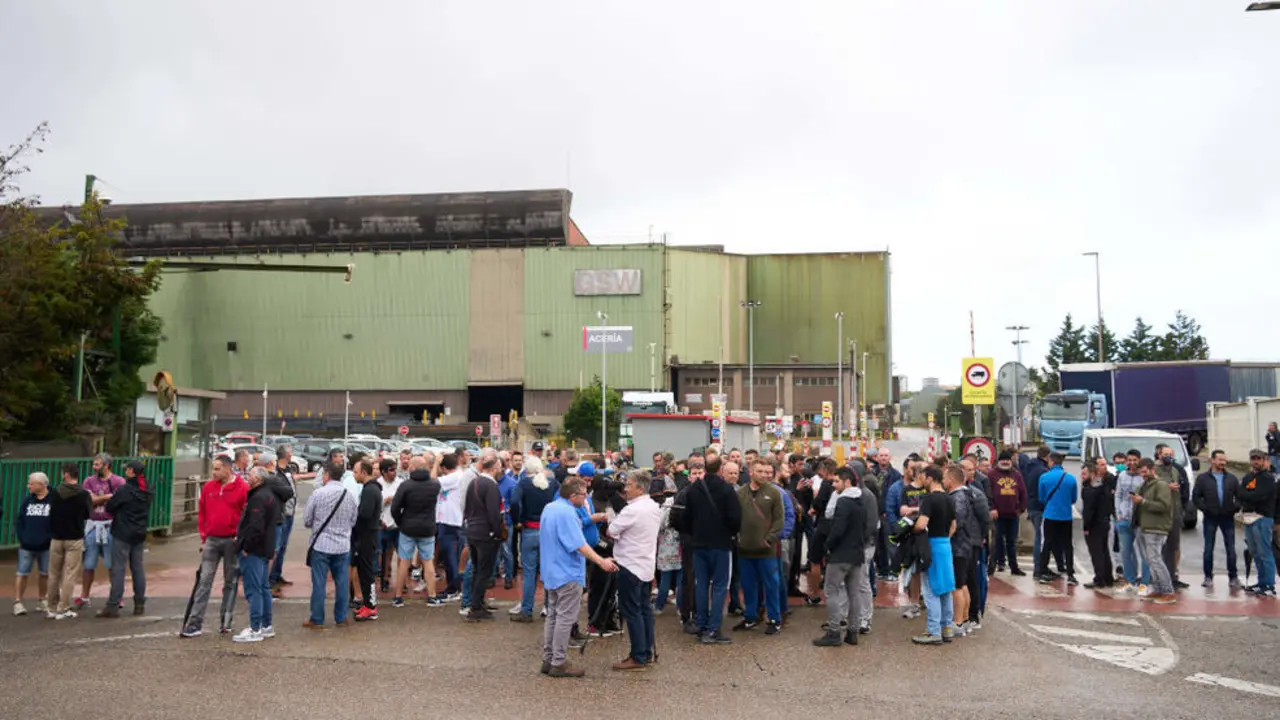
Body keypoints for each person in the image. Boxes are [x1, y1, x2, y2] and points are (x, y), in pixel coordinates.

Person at [537, 478, 618, 678]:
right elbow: (579, 544)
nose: (586, 498)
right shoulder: (567, 513)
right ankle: (559, 661)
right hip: (567, 572)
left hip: (552, 570)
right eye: (583, 495)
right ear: (573, 496)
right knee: (564, 618)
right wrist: (602, 561)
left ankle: (549, 659)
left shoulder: (550, 507)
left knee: (554, 616)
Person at [183, 456, 250, 637]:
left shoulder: (242, 488)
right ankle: (195, 622)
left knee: (231, 581)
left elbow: (246, 514)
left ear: (228, 469)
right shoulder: (209, 487)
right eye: (214, 468)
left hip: (231, 540)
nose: (214, 472)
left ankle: (226, 620)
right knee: (204, 580)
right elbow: (203, 512)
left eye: (218, 469)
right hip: (212, 539)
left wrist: (239, 536)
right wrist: (204, 536)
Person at [680, 453, 742, 645]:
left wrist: (695, 532)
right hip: (721, 543)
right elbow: (735, 519)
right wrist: (729, 532)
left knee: (701, 584)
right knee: (720, 586)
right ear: (721, 469)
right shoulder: (727, 489)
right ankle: (713, 628)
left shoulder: (693, 489)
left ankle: (700, 622)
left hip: (698, 543)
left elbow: (685, 518)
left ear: (705, 468)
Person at [608, 470, 663, 670]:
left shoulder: (632, 510)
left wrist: (610, 520)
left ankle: (638, 655)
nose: (625, 489)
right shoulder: (653, 507)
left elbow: (612, 531)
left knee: (632, 611)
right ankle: (646, 651)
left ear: (640, 488)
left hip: (630, 564)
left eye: (629, 485)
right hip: (646, 564)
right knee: (644, 609)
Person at [812, 467, 867, 647]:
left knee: (832, 591)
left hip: (841, 554)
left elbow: (838, 529)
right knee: (854, 593)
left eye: (837, 481)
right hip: (857, 553)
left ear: (847, 481)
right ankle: (853, 632)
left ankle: (834, 632)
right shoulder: (861, 499)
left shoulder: (843, 501)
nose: (833, 485)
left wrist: (828, 545)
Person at [303, 462, 359, 628]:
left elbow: (307, 520)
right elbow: (353, 520)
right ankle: (341, 618)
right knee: (342, 582)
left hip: (321, 544)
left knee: (319, 583)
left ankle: (317, 618)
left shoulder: (318, 494)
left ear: (326, 475)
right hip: (342, 545)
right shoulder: (349, 495)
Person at [733, 459, 784, 635]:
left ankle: (775, 619)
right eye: (760, 471)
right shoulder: (740, 493)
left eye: (766, 471)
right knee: (747, 586)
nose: (764, 475)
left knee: (771, 585)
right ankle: (750, 617)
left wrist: (769, 539)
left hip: (766, 550)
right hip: (745, 549)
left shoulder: (774, 493)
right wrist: (738, 537)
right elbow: (734, 519)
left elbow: (779, 520)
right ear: (751, 472)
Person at [232, 467, 282, 642]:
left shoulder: (258, 498)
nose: (247, 478)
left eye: (250, 476)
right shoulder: (270, 496)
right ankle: (266, 625)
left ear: (258, 479)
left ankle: (255, 628)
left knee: (253, 589)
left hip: (254, 549)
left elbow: (255, 525)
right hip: (266, 547)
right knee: (263, 587)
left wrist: (245, 545)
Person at [98, 460, 152, 618]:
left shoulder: (125, 490)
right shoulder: (147, 489)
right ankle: (139, 603)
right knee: (137, 568)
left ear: (131, 471)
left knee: (119, 569)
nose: (125, 472)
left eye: (127, 469)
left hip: (122, 531)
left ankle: (113, 604)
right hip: (139, 532)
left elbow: (110, 506)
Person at [509, 455, 559, 621]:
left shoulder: (523, 484)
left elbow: (514, 502)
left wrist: (518, 520)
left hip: (529, 530)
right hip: (548, 531)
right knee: (547, 571)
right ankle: (548, 607)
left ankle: (527, 610)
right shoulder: (552, 484)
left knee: (529, 572)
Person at [390, 456, 443, 608]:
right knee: (428, 561)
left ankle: (398, 596)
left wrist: (401, 521)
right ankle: (432, 595)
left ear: (412, 468)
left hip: (408, 527)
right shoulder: (434, 485)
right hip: (427, 527)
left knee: (404, 562)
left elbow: (395, 507)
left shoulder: (406, 485)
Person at [912, 466, 957, 645]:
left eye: (922, 476)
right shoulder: (949, 498)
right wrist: (945, 538)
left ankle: (933, 631)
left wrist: (912, 528)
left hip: (931, 546)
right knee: (945, 588)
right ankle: (947, 628)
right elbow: (954, 525)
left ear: (930, 478)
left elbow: (922, 524)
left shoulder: (929, 500)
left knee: (930, 589)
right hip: (945, 545)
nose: (921, 479)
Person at [80, 453, 126, 609]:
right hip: (93, 525)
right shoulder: (88, 481)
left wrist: (99, 498)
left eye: (97, 464)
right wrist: (108, 497)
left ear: (106, 465)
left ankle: (116, 596)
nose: (94, 467)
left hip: (110, 525)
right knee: (88, 564)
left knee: (112, 564)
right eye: (94, 464)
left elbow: (120, 501)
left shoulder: (118, 481)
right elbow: (88, 501)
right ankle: (84, 596)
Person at [462, 453, 504, 621]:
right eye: (500, 467)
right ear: (494, 469)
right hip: (486, 533)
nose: (501, 470)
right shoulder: (491, 486)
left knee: (477, 569)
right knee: (484, 571)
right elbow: (494, 513)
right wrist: (498, 533)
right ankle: (476, 607)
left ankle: (476, 601)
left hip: (472, 530)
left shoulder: (474, 482)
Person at [944, 464, 985, 635]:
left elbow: (956, 522)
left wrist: (945, 539)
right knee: (964, 583)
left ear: (952, 480)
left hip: (959, 547)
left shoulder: (957, 497)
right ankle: (966, 618)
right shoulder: (969, 493)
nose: (943, 480)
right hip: (967, 544)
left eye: (945, 477)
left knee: (958, 586)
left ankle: (958, 622)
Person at [47, 465, 92, 620]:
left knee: (53, 573)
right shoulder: (84, 494)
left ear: (66, 475)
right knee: (70, 573)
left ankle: (51, 607)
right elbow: (87, 514)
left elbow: (50, 512)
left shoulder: (54, 492)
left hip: (56, 537)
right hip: (74, 537)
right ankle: (63, 607)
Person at [1192, 450, 1242, 588]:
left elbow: (1240, 496)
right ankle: (1208, 577)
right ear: (1212, 460)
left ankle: (1233, 577)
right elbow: (1196, 497)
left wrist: (1234, 508)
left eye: (1225, 460)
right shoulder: (1203, 478)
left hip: (1227, 517)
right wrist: (1205, 509)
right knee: (1208, 548)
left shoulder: (1231, 478)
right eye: (1220, 460)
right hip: (1210, 517)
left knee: (1231, 548)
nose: (1223, 462)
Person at [1131, 458, 1176, 603]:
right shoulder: (1144, 485)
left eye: (1145, 472)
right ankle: (1158, 589)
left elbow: (1164, 506)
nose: (1142, 475)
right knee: (1150, 560)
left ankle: (1168, 591)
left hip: (1156, 528)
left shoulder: (1161, 485)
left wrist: (1142, 502)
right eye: (1140, 472)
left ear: (1152, 470)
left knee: (1155, 559)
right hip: (1143, 527)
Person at [14, 472, 53, 617]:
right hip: (27, 545)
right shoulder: (27, 501)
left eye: (31, 483)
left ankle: (42, 599)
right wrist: (22, 538)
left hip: (46, 545)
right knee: (22, 573)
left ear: (41, 485)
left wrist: (49, 538)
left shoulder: (53, 500)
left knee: (45, 573)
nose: (28, 485)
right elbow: (20, 521)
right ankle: (18, 602)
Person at [1036, 452, 1079, 586]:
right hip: (1066, 515)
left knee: (1047, 543)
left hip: (1050, 514)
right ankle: (1071, 574)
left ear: (1051, 462)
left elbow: (1041, 497)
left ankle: (1043, 571)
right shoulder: (1071, 478)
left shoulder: (1044, 477)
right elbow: (1073, 499)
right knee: (1067, 545)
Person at [1239, 449, 1277, 597]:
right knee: (1255, 552)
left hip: (1263, 517)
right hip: (1248, 517)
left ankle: (1269, 584)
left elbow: (1259, 496)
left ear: (1264, 460)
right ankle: (1261, 582)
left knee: (1265, 552)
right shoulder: (1248, 477)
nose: (1256, 461)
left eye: (1258, 459)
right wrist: (1247, 496)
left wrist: (1247, 496)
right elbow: (1240, 493)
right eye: (1253, 458)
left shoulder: (1268, 478)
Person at [1155, 443, 1190, 590]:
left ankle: (1172, 576)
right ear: (1159, 454)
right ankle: (1159, 579)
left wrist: (1182, 509)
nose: (1168, 457)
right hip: (1160, 514)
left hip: (1175, 513)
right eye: (1165, 454)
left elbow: (1184, 489)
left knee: (1174, 546)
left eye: (1171, 454)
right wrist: (1165, 487)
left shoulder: (1176, 470)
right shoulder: (1154, 470)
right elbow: (1150, 487)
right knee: (1159, 548)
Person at [987, 451, 1027, 576]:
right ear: (999, 461)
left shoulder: (1017, 475)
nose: (1005, 462)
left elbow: (1023, 492)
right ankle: (994, 565)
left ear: (1011, 461)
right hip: (997, 515)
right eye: (1003, 460)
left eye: (1007, 460)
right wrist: (992, 508)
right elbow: (988, 494)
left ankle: (1014, 567)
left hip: (1013, 514)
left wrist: (1021, 509)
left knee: (1012, 542)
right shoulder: (991, 474)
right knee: (996, 541)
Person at [352, 458, 383, 621]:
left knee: (366, 571)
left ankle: (370, 607)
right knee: (364, 570)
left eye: (356, 472)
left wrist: (354, 518)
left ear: (364, 472)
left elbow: (365, 514)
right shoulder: (371, 489)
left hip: (366, 535)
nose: (354, 474)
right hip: (368, 534)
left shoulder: (370, 490)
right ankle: (367, 603)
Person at [1113, 449, 1147, 594]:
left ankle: (1144, 583)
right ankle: (1129, 580)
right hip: (1124, 519)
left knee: (1144, 553)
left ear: (1139, 460)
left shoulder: (1144, 476)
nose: (1132, 463)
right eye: (1130, 460)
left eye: (1135, 460)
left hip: (1140, 520)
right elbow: (1118, 495)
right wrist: (1118, 513)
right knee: (1126, 551)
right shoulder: (1122, 476)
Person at [434, 451, 467, 600]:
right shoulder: (459, 475)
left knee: (450, 557)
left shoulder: (454, 477)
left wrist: (435, 463)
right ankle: (454, 586)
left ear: (444, 467)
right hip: (451, 520)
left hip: (450, 521)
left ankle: (454, 588)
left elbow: (432, 482)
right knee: (452, 556)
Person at [1080, 463, 1116, 589]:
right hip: (1104, 522)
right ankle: (1108, 578)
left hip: (1095, 524)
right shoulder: (1104, 488)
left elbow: (1088, 511)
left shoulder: (1089, 490)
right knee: (1104, 550)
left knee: (1096, 553)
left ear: (1093, 474)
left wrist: (1086, 527)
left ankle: (1099, 578)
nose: (1082, 476)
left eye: (1085, 474)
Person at [269, 445, 300, 592]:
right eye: (290, 451)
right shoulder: (276, 472)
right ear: (286, 454)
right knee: (277, 546)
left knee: (283, 546)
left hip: (290, 512)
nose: (292, 454)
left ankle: (277, 574)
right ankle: (271, 578)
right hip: (282, 513)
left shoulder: (288, 470)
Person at [1023, 446, 1056, 577]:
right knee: (1041, 539)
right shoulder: (1043, 471)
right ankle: (1039, 569)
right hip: (1040, 508)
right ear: (1048, 457)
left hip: (1031, 506)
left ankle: (1042, 566)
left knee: (1040, 537)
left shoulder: (1030, 467)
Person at [376, 458, 404, 595]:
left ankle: (401, 581)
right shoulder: (377, 485)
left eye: (395, 469)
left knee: (403, 554)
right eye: (391, 470)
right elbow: (374, 505)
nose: (394, 472)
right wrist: (384, 501)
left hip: (398, 524)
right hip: (384, 524)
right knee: (384, 553)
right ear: (383, 472)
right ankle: (384, 578)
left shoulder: (400, 483)